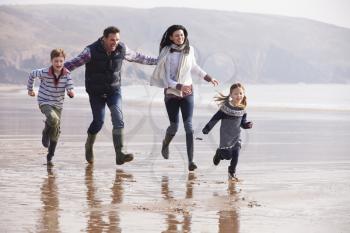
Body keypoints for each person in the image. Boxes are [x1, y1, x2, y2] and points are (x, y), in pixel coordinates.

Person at [64, 26, 157, 165]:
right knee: (99, 122)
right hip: (95, 92)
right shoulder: (90, 51)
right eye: (112, 40)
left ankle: (119, 154)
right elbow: (68, 66)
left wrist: (159, 60)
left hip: (114, 90)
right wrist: (60, 80)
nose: (115, 43)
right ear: (104, 38)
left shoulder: (122, 49)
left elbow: (140, 57)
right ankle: (89, 145)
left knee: (118, 118)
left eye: (117, 39)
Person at [151, 24, 219, 171]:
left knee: (189, 126)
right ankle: (165, 143)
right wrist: (180, 87)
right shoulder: (166, 52)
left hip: (188, 92)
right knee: (174, 127)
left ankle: (190, 162)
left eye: (182, 35)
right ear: (171, 37)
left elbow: (194, 67)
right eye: (177, 35)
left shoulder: (190, 49)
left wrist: (209, 78)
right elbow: (166, 78)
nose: (180, 38)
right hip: (171, 93)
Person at [27, 48, 74, 166]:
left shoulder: (67, 74)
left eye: (61, 61)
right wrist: (30, 90)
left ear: (64, 61)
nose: (58, 64)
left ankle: (50, 157)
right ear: (51, 61)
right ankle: (45, 132)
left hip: (58, 105)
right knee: (53, 119)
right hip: (45, 102)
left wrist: (70, 92)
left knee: (56, 131)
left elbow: (70, 86)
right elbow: (32, 74)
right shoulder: (44, 72)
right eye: (56, 61)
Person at [202, 83, 252, 180]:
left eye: (241, 93)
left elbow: (242, 123)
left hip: (236, 137)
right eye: (236, 94)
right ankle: (219, 154)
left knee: (236, 154)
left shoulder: (242, 109)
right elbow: (215, 118)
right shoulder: (225, 108)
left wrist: (247, 125)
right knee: (227, 156)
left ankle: (232, 172)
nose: (239, 96)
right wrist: (207, 128)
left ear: (244, 94)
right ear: (231, 95)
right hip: (226, 137)